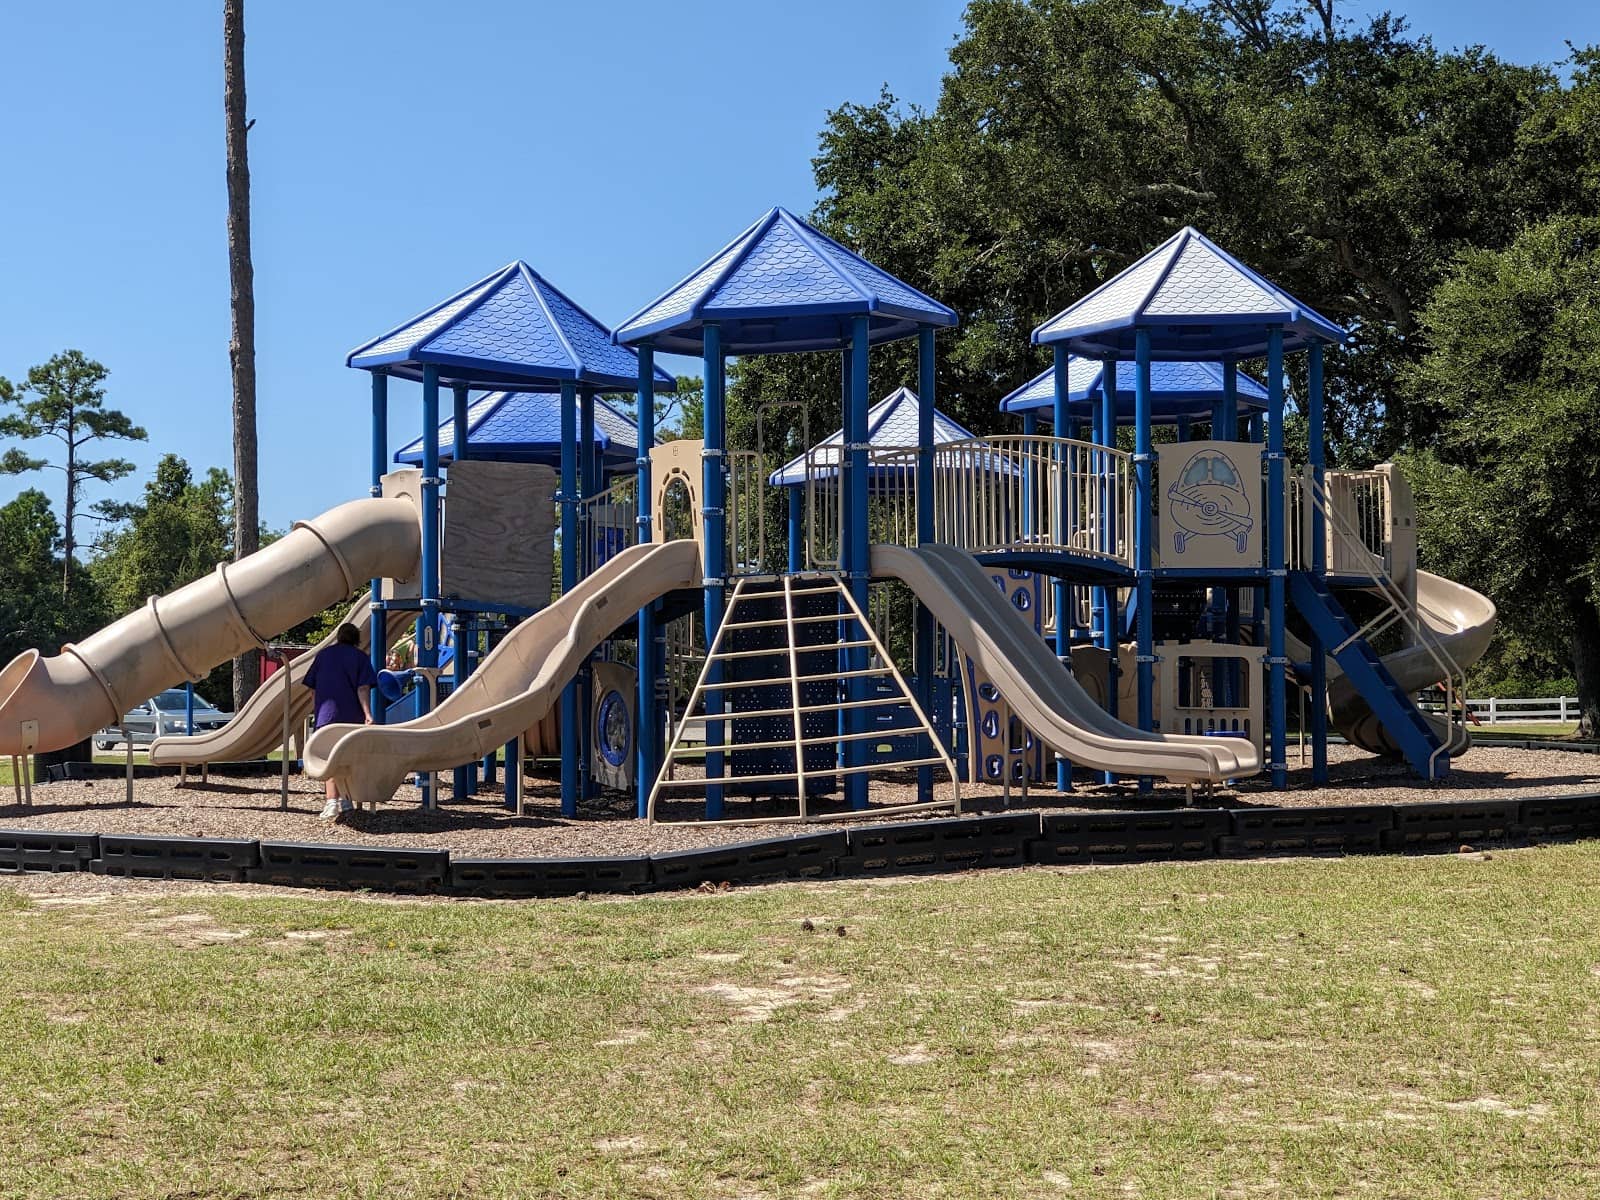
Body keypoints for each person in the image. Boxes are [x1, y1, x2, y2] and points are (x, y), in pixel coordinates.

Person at [303, 622, 377, 819]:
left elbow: (312, 688)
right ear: (356, 640)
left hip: (326, 715)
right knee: (349, 758)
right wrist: (368, 714)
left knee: (328, 758)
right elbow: (362, 688)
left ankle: (331, 802)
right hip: (351, 716)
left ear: (338, 637)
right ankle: (346, 799)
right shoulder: (360, 658)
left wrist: (318, 710)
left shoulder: (323, 655)